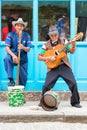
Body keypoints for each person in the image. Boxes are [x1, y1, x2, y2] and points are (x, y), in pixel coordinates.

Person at [38, 25, 82, 108]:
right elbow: (39, 57)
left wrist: (74, 44)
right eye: (51, 35)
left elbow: (71, 51)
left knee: (73, 83)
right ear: (49, 35)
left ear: (58, 34)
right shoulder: (46, 44)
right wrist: (48, 57)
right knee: (46, 86)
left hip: (64, 66)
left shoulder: (64, 41)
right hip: (53, 67)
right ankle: (43, 101)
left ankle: (75, 102)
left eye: (55, 35)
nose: (54, 37)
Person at [4, 18, 33, 87]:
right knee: (7, 58)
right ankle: (11, 80)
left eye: (21, 26)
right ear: (15, 26)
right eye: (18, 25)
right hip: (13, 56)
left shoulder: (27, 35)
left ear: (23, 27)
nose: (19, 27)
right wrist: (13, 56)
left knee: (23, 79)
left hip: (23, 59)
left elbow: (28, 49)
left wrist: (23, 47)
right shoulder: (10, 34)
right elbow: (7, 47)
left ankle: (20, 92)